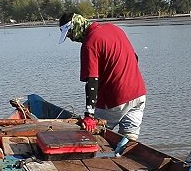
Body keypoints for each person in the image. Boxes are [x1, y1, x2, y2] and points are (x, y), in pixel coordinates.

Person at [58, 12, 147, 140]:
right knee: (129, 139)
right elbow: (135, 58)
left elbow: (92, 81)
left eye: (70, 34)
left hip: (115, 100)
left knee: (91, 137)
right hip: (139, 94)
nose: (72, 39)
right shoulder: (114, 28)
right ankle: (122, 153)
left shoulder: (89, 44)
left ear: (76, 27)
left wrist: (89, 115)